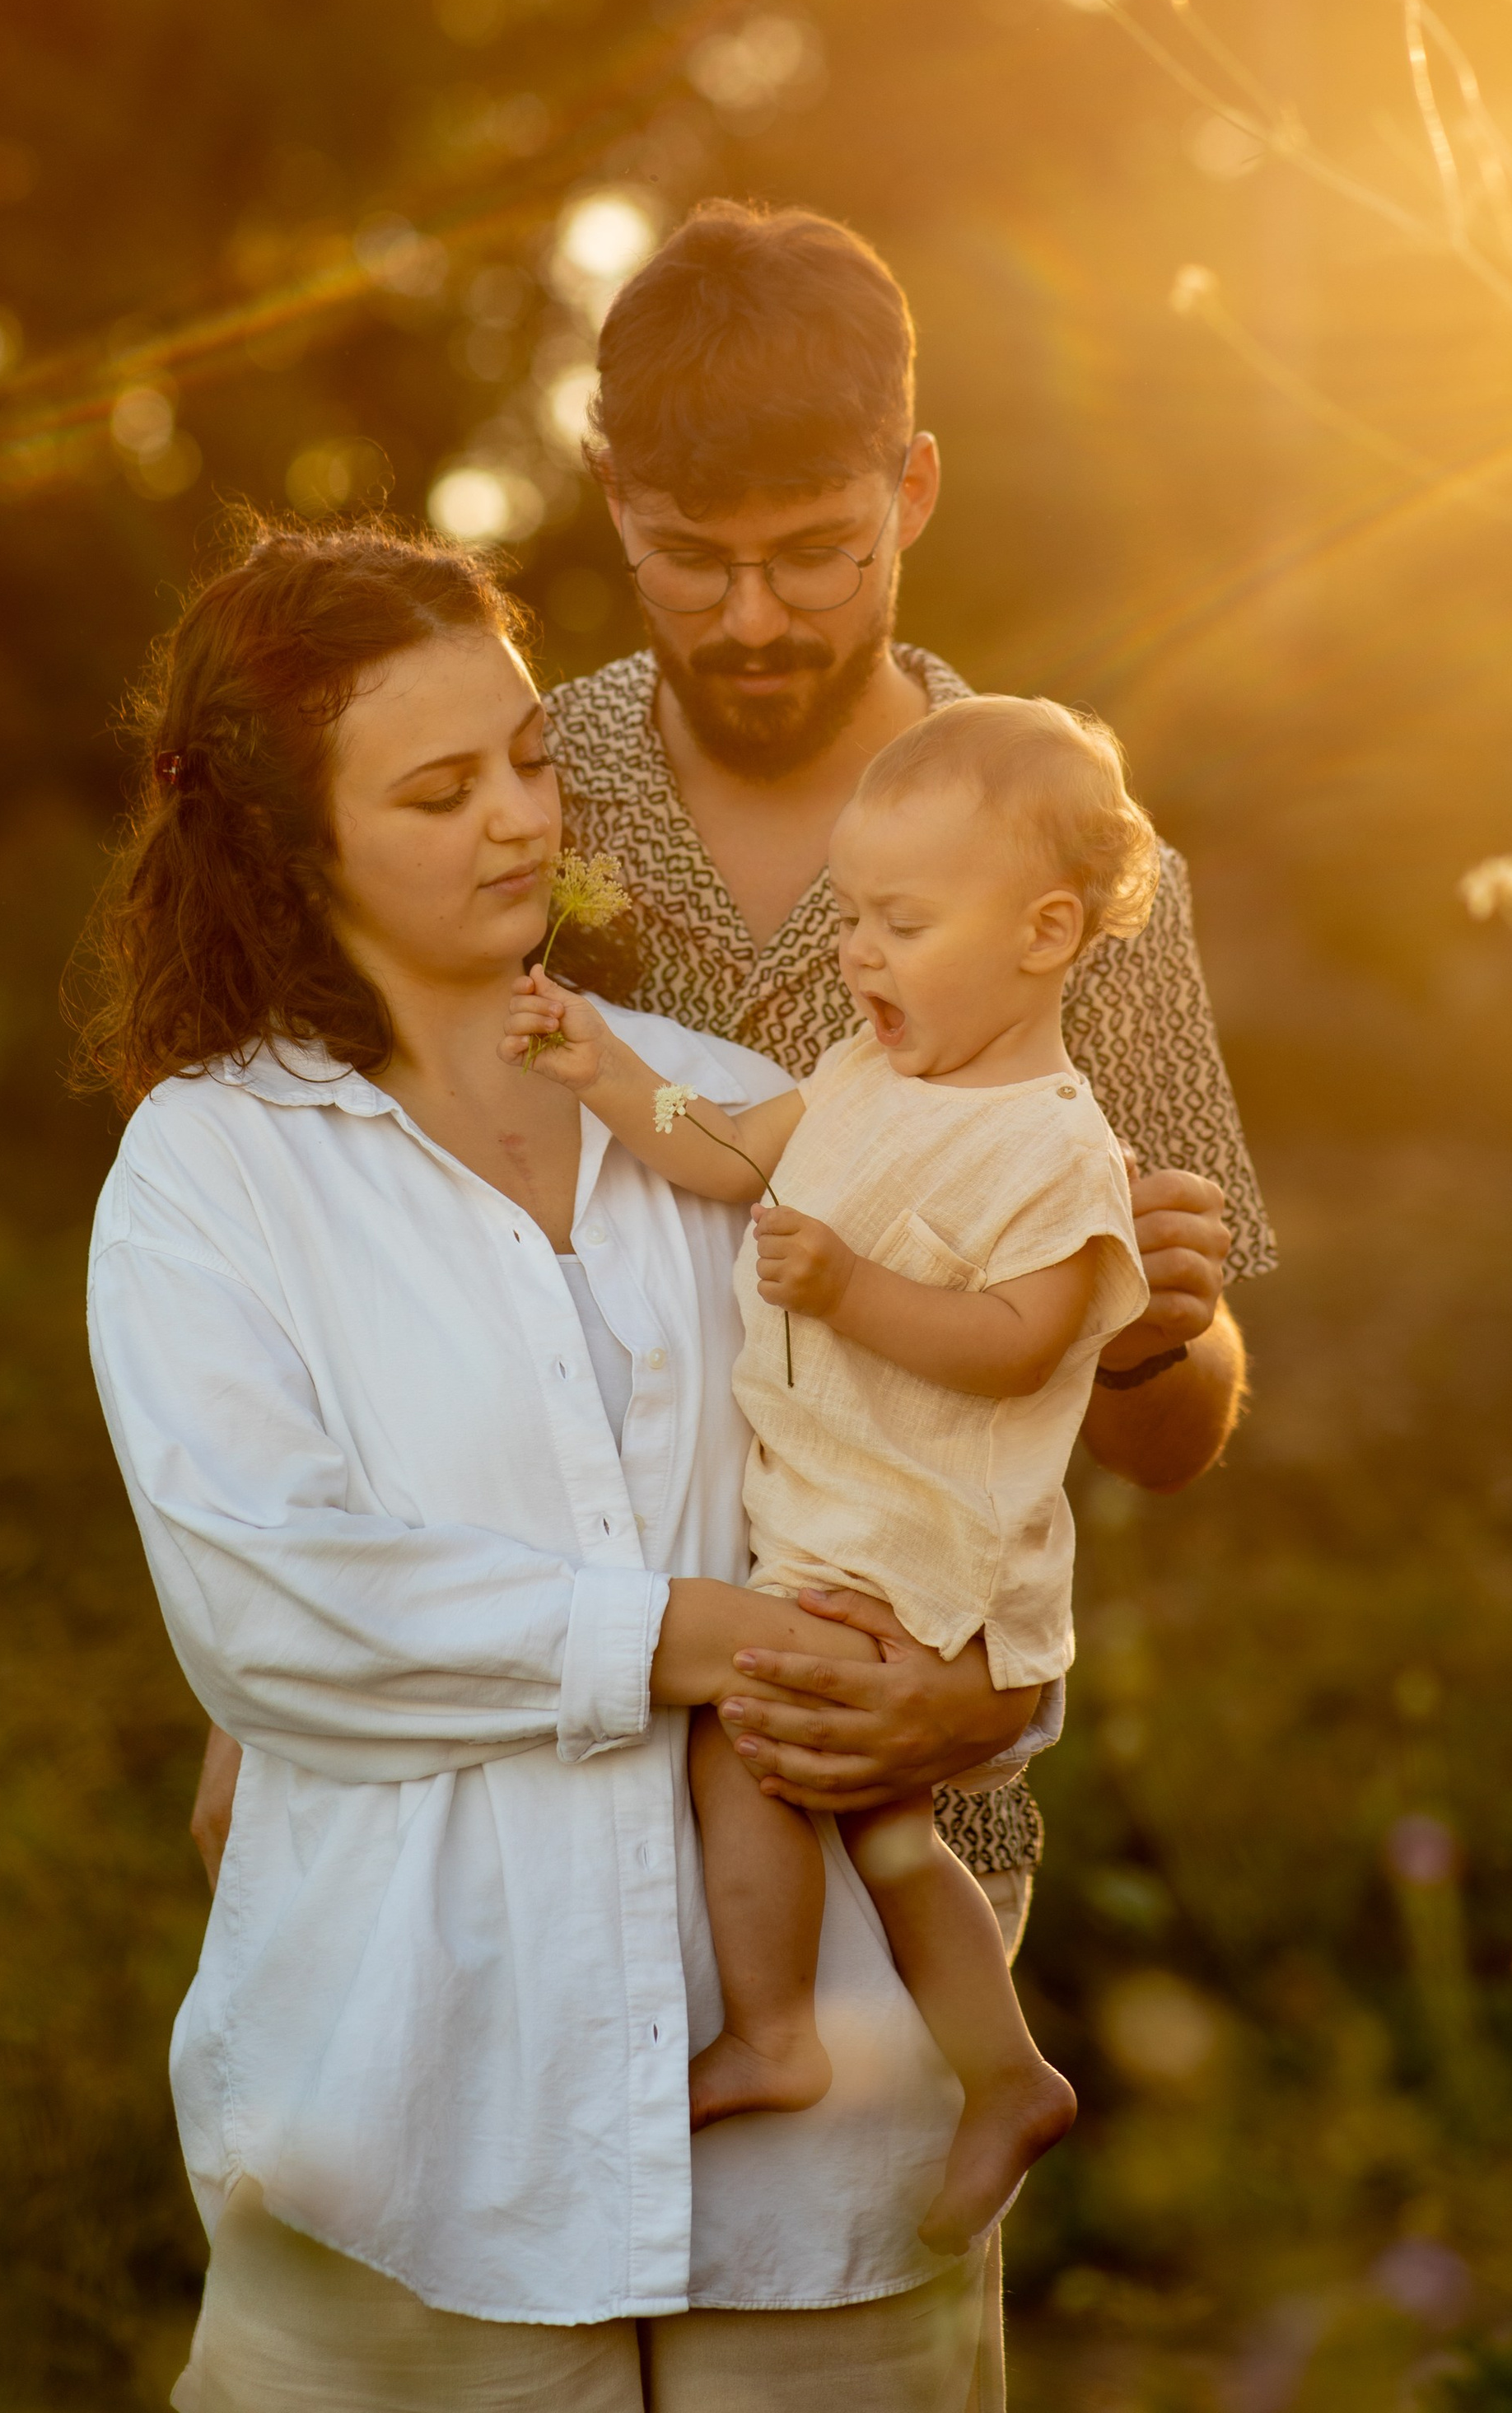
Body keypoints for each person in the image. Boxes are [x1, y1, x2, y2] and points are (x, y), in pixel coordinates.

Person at [193, 199, 1273, 1922]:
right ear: (611, 492)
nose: (755, 615)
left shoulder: (1082, 867)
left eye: (818, 552)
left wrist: (1151, 1340)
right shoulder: (522, 793)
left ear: (911, 488)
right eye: (692, 556)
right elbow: (339, 1198)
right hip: (516, 1775)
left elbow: (1168, 1430)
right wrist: (279, 1684)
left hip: (900, 1786)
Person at [80, 516, 1053, 2408]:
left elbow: (946, 1464)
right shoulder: (212, 1172)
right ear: (293, 845)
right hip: (415, 2136)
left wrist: (982, 1689)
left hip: (819, 2158)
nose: (519, 819)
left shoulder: (724, 1112)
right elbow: (269, 1604)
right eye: (438, 790)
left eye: (528, 757)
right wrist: (680, 1632)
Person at [506, 693, 1157, 2256]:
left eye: (904, 920)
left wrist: (852, 1289)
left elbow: (1021, 1342)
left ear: (1045, 931)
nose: (861, 953)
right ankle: (1003, 2071)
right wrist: (601, 1071)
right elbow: (732, 1152)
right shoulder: (867, 1081)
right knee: (875, 1827)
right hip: (836, 1534)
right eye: (852, 914)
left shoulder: (1058, 1147)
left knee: (761, 1745)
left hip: (929, 1554)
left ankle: (782, 2030)